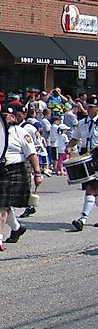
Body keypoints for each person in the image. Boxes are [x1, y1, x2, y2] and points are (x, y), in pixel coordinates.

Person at [0, 104, 39, 251]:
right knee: (1, 204)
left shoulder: (21, 132)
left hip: (14, 170)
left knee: (0, 205)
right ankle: (17, 228)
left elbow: (31, 154)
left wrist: (37, 173)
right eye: (1, 115)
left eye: (6, 115)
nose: (3, 117)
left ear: (13, 118)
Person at [68, 98, 98, 231]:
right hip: (85, 155)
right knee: (93, 188)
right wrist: (69, 147)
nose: (89, 109)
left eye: (92, 107)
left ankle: (83, 219)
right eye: (88, 107)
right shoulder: (82, 123)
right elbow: (76, 138)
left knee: (91, 188)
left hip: (97, 155)